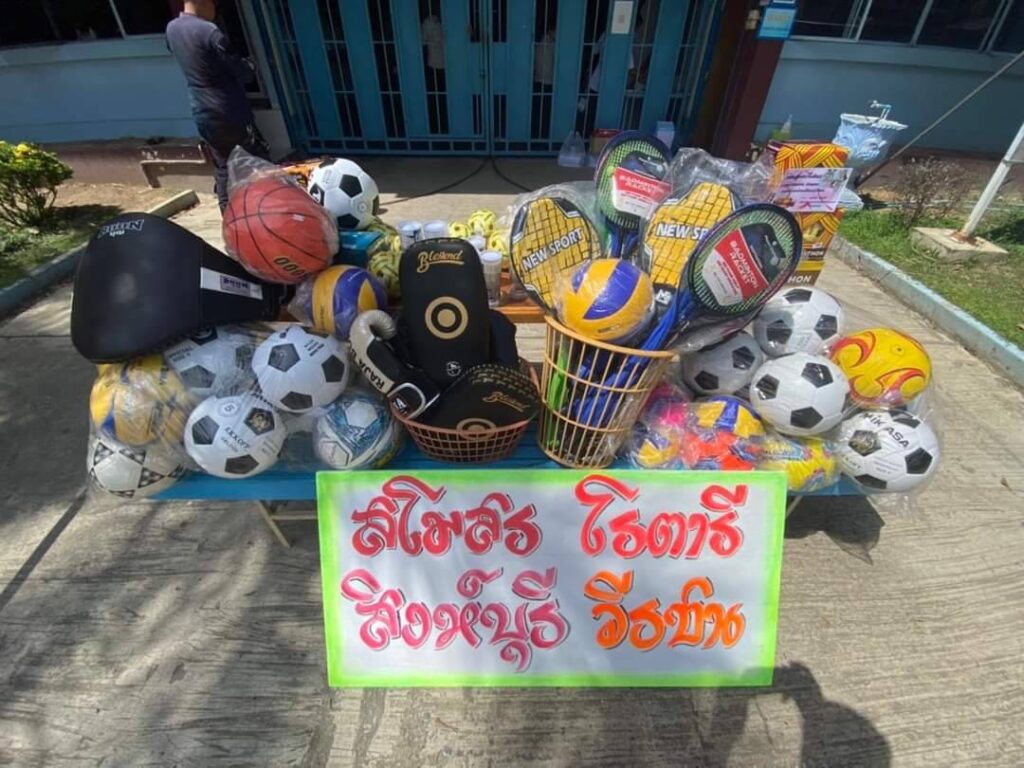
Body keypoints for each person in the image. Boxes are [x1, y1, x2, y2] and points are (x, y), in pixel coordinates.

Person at [166, 0, 269, 211]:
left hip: (203, 111)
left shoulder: (172, 29)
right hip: (229, 110)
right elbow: (244, 74)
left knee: (223, 167)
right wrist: (250, 65)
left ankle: (228, 215)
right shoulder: (209, 31)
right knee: (259, 163)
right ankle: (268, 212)